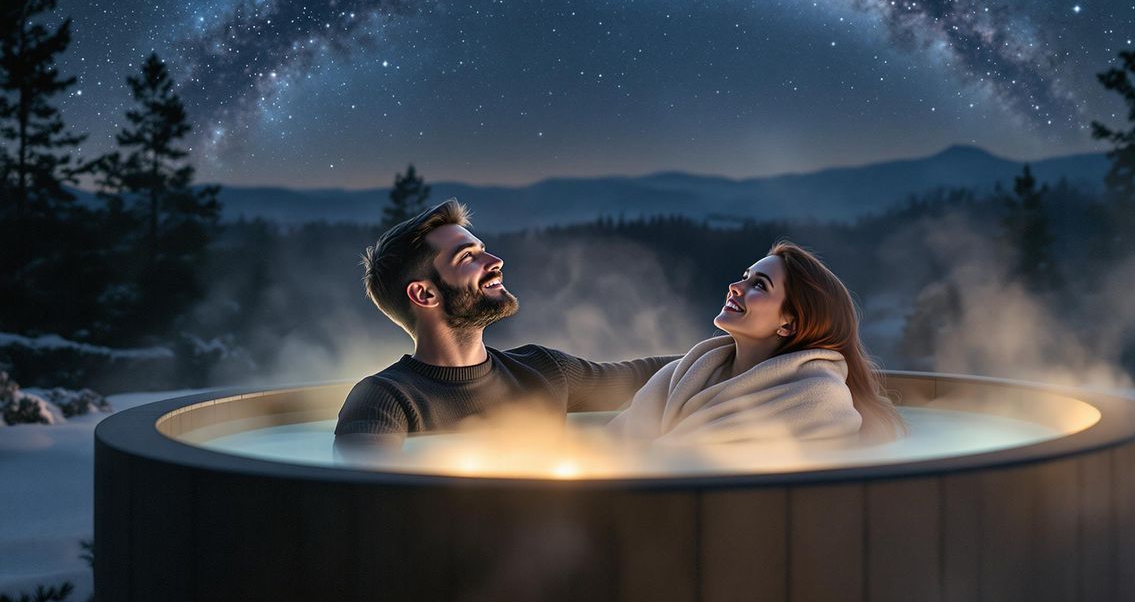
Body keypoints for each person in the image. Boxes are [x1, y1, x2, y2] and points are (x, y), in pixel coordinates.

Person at [334, 199, 675, 448]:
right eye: (468, 257)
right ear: (424, 294)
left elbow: (655, 376)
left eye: (483, 249)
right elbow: (364, 507)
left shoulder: (545, 370)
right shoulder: (384, 400)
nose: (495, 261)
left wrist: (728, 345)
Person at [609, 241, 905, 445]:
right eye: (745, 277)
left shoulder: (817, 399)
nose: (735, 288)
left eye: (759, 285)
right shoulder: (683, 374)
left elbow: (698, 464)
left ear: (789, 323)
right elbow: (611, 444)